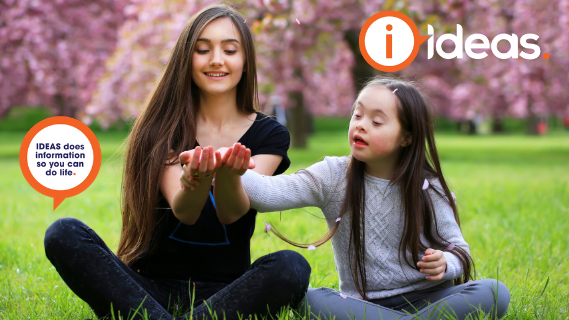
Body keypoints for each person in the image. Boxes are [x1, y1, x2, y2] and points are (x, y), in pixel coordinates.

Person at [43, 4, 310, 320]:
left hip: (228, 292)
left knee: (292, 266)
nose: (216, 59)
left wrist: (228, 175)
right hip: (149, 287)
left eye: (229, 50)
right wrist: (196, 179)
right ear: (187, 58)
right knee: (63, 233)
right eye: (202, 49)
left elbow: (232, 212)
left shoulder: (270, 134)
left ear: (245, 60)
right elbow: (185, 209)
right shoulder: (163, 126)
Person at [207, 77, 511, 319]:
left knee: (495, 292)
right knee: (309, 300)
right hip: (362, 307)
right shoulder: (333, 175)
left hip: (428, 298)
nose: (361, 125)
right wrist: (230, 166)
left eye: (377, 122)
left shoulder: (428, 188)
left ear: (407, 137)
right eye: (358, 114)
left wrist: (446, 262)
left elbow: (461, 250)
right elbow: (268, 194)